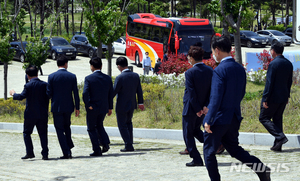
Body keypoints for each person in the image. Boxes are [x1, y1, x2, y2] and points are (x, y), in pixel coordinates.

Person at [202, 36, 270, 181]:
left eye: (213, 51)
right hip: (233, 117)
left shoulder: (219, 70)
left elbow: (215, 98)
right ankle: (261, 168)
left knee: (208, 152)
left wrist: (208, 119)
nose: (213, 54)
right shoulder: (239, 68)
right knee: (234, 149)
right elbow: (241, 93)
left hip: (219, 119)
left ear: (217, 50)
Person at [10, 65, 49, 160]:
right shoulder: (44, 84)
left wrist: (13, 94)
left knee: (27, 133)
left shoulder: (28, 85)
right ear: (37, 73)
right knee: (43, 134)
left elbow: (21, 96)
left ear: (27, 75)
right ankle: (45, 154)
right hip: (42, 113)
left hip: (30, 114)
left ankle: (30, 152)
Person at [259, 41, 293, 152]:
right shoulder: (288, 63)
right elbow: (289, 82)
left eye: (270, 50)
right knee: (277, 119)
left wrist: (265, 98)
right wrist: (287, 96)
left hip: (273, 97)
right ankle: (278, 145)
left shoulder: (273, 64)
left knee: (263, 118)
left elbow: (269, 83)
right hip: (283, 97)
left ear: (273, 51)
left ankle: (280, 137)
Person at [182, 46, 213, 167]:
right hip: (203, 108)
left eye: (189, 57)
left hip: (191, 108)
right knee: (195, 130)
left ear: (192, 58)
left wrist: (197, 109)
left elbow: (191, 92)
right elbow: (211, 90)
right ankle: (214, 144)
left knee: (188, 134)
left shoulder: (190, 72)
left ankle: (196, 159)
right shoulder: (210, 70)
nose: (188, 59)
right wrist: (205, 106)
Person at [47, 55, 80, 159]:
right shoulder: (72, 76)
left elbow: (49, 93)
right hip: (68, 106)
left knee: (59, 129)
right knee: (67, 127)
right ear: (66, 64)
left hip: (56, 106)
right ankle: (69, 146)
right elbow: (76, 93)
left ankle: (66, 151)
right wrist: (77, 107)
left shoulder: (51, 77)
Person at [82, 57, 113, 156]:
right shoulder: (107, 78)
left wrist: (88, 105)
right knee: (99, 125)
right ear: (101, 66)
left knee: (91, 128)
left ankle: (97, 149)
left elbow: (85, 93)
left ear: (91, 66)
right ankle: (105, 143)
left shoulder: (89, 78)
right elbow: (110, 94)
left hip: (93, 107)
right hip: (104, 107)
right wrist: (110, 107)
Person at [113, 57, 144, 152]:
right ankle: (129, 142)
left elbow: (114, 92)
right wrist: (140, 102)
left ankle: (128, 144)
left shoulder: (119, 77)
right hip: (132, 104)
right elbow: (139, 91)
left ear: (119, 66)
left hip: (121, 105)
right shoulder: (135, 76)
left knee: (122, 125)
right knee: (129, 123)